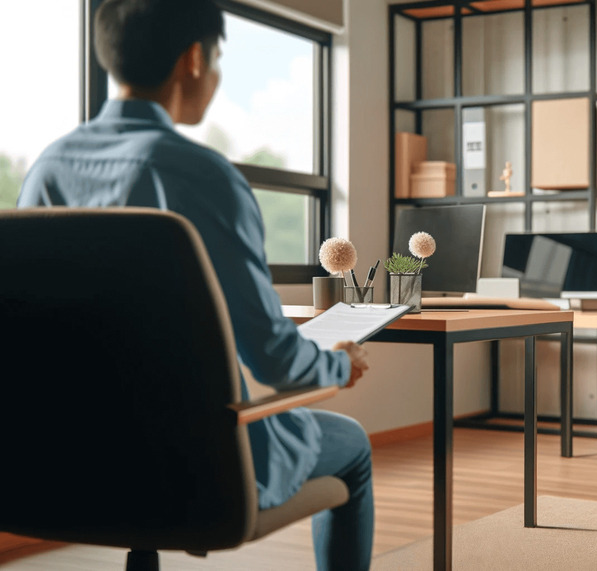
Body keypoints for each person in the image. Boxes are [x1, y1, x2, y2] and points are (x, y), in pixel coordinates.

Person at [17, 1, 373, 569]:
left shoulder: (48, 169)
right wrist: (336, 363)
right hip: (196, 469)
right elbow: (275, 359)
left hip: (60, 462)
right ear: (193, 58)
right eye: (219, 58)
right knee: (352, 445)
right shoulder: (203, 177)